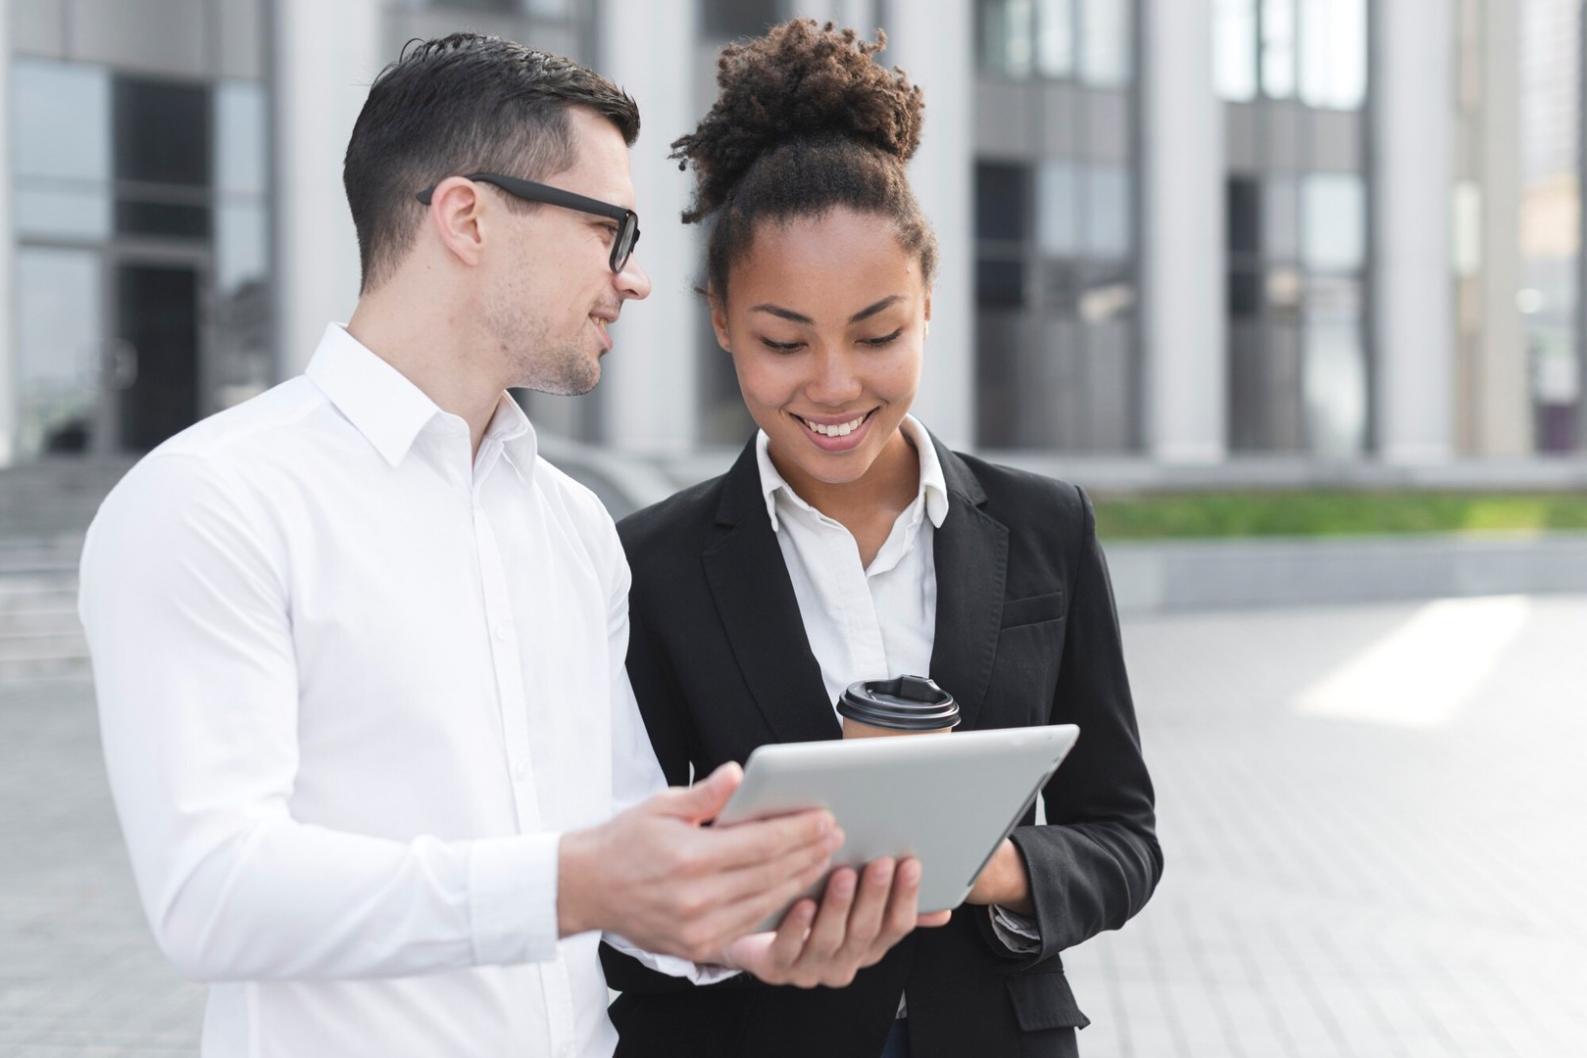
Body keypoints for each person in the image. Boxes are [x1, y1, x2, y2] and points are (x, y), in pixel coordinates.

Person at [77, 34, 941, 1058]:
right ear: (469, 216)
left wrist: (753, 922)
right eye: (610, 229)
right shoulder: (213, 500)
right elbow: (211, 893)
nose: (636, 279)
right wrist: (568, 881)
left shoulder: (573, 526)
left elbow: (622, 840)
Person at [601, 21, 1163, 1058]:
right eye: (781, 339)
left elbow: (1124, 836)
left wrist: (993, 866)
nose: (833, 386)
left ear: (929, 306)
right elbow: (623, 887)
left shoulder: (1045, 527)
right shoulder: (651, 565)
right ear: (720, 318)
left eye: (877, 332)